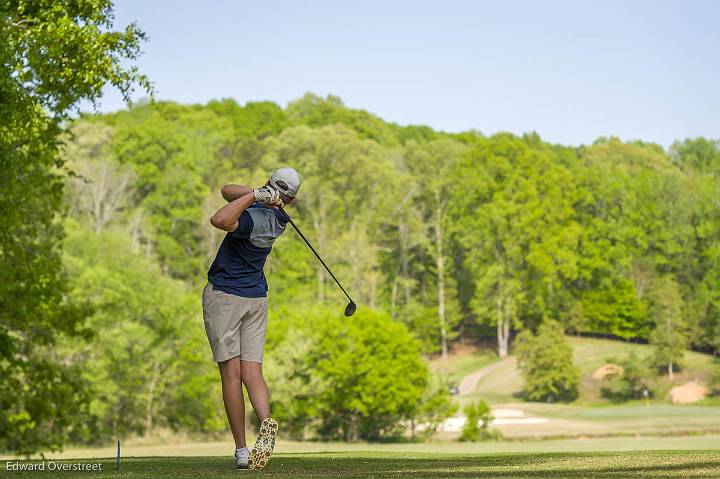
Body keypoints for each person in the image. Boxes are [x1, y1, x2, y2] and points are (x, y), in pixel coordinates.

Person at [202, 167, 301, 470]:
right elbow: (227, 189)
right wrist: (261, 195)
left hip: (226, 297)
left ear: (272, 185)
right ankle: (266, 422)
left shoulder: (251, 219)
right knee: (253, 373)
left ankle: (242, 450)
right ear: (291, 201)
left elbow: (219, 219)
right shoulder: (279, 219)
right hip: (256, 299)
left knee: (231, 376)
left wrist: (258, 195)